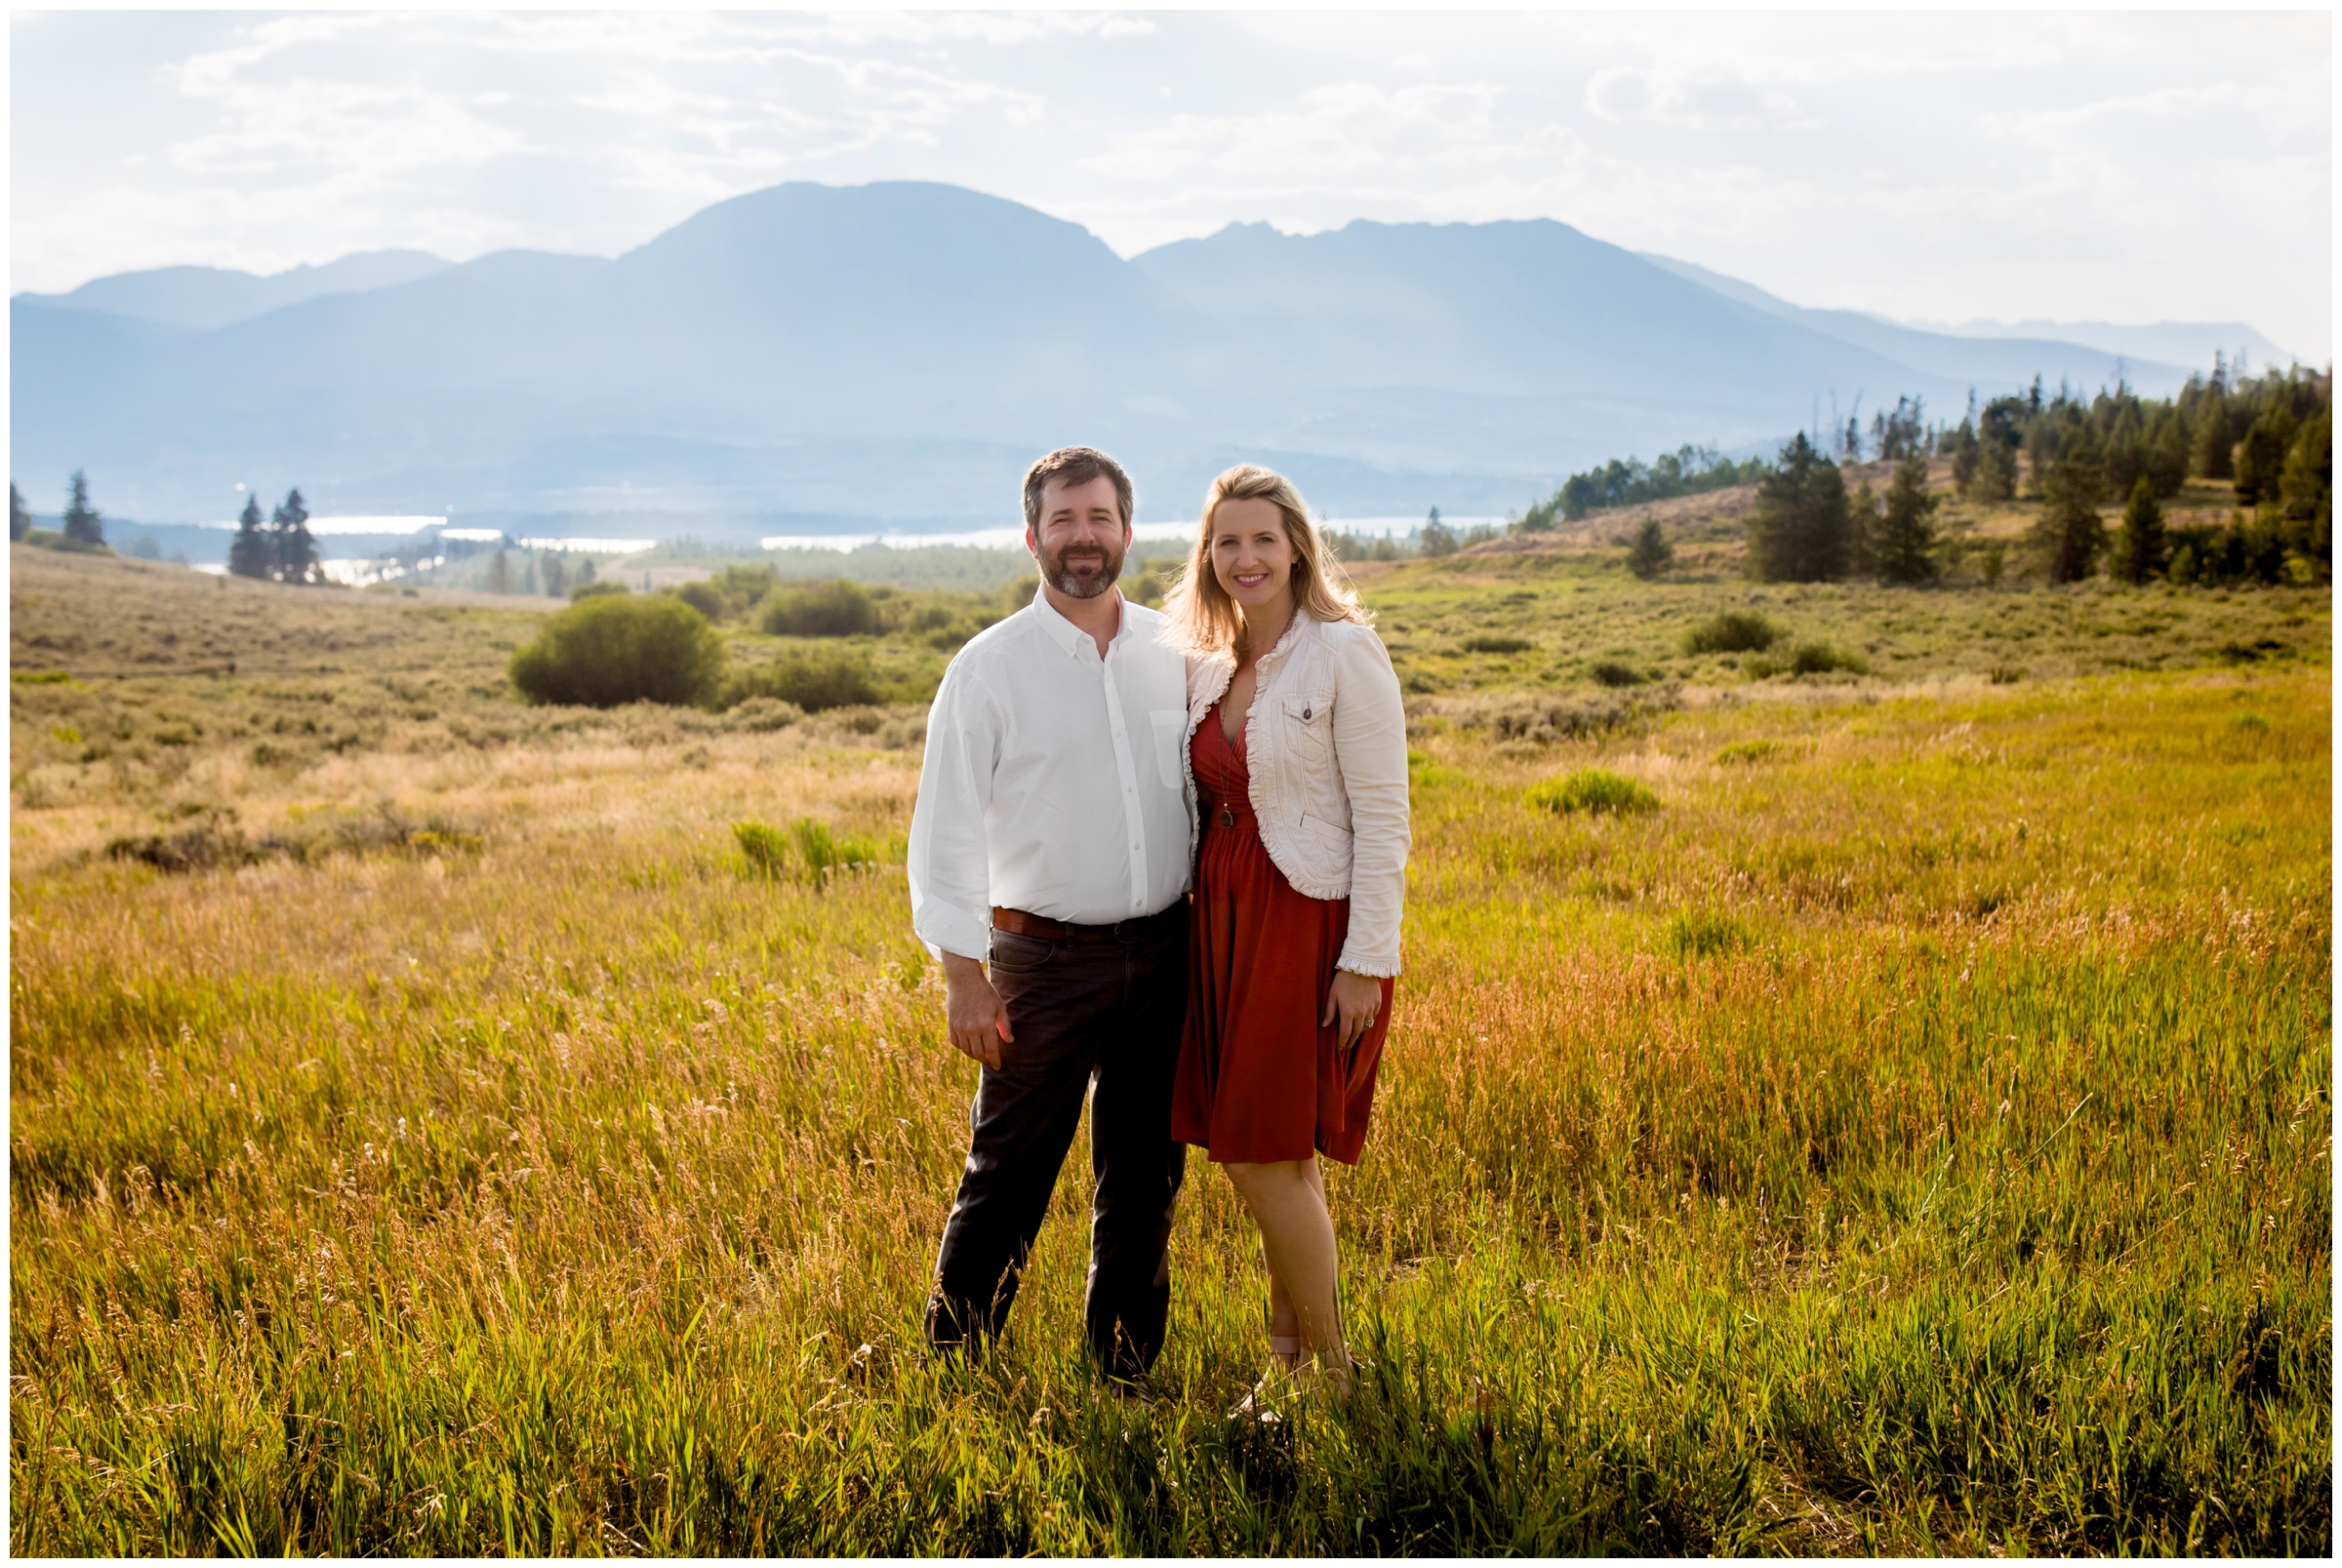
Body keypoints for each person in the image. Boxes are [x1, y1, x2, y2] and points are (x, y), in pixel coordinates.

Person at [907, 446, 1194, 1393]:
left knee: (1145, 1181)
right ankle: (957, 1369)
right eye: (1064, 521)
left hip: (1164, 953)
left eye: (1099, 518)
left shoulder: (1176, 650)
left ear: (1125, 530)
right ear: (1032, 536)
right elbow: (944, 828)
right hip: (1040, 960)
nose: (1083, 537)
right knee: (1008, 1174)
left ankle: (1125, 1375)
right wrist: (961, 975)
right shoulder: (988, 670)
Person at [1162, 462, 1410, 1401]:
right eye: (1227, 541)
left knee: (1260, 1152)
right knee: (1278, 1153)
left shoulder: (1344, 652)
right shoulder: (1209, 662)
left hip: (1303, 916)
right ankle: (1288, 1362)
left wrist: (1365, 964)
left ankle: (1339, 1374)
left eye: (1263, 538)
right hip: (1219, 915)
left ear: (1298, 546)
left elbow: (1385, 819)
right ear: (1209, 555)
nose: (1244, 557)